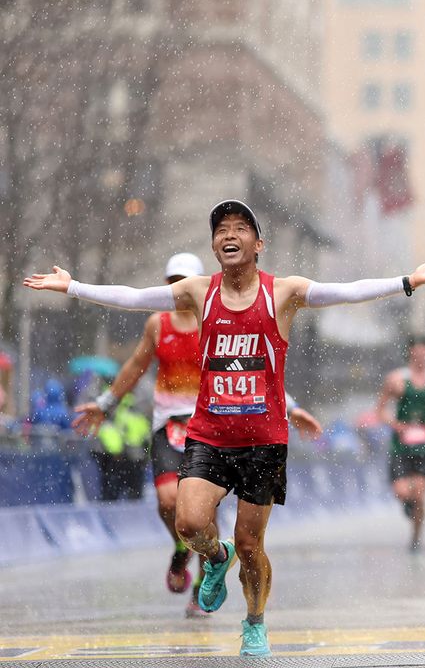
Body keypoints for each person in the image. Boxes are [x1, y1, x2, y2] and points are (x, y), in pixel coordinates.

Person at [25, 199, 425, 656]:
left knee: (252, 545)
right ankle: (215, 558)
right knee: (189, 521)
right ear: (214, 246)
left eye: (239, 228)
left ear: (258, 243)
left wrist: (408, 281)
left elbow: (345, 290)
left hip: (263, 440)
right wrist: (72, 287)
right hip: (209, 433)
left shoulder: (283, 292)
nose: (229, 235)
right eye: (220, 230)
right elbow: (134, 297)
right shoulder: (198, 291)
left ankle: (254, 622)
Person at [73, 252, 324, 616]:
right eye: (172, 281)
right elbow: (135, 366)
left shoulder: (219, 319)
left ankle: (203, 582)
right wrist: (106, 402)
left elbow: (252, 367)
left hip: (212, 423)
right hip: (168, 423)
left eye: (183, 281)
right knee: (167, 501)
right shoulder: (158, 325)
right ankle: (182, 548)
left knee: (206, 513)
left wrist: (293, 406)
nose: (178, 288)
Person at [375, 335, 425, 553]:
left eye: (423, 350)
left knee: (419, 494)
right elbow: (380, 410)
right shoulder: (396, 379)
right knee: (403, 492)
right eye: (415, 351)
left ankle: (416, 538)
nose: (419, 355)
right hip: (401, 445)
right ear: (409, 352)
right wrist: (395, 424)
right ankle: (409, 506)